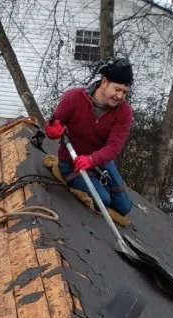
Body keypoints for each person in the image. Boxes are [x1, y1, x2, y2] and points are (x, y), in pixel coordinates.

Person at [46, 58, 134, 217]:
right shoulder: (73, 97)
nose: (120, 96)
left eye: (125, 92)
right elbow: (53, 124)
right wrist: (52, 130)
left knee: (124, 207)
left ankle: (99, 181)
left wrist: (92, 160)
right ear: (104, 82)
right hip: (72, 163)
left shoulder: (124, 112)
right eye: (117, 89)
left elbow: (114, 147)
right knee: (103, 201)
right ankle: (75, 179)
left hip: (100, 162)